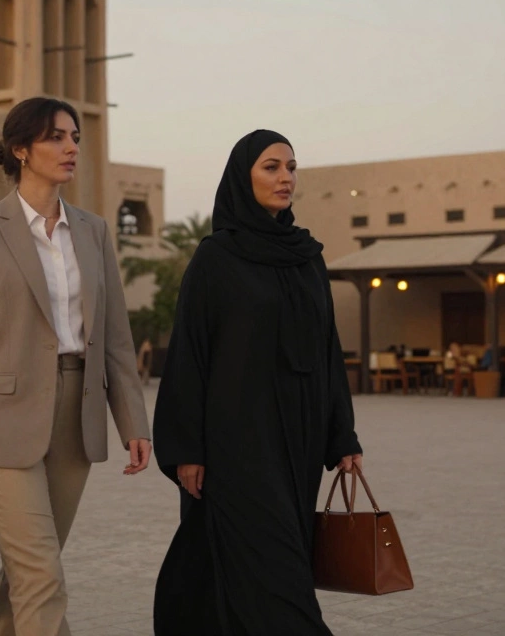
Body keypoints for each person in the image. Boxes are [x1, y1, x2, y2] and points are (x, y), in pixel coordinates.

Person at [0, 97, 152, 636]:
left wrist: (133, 423)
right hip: (1, 422)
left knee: (25, 575)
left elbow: (117, 339)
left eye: (74, 136)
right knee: (42, 575)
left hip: (75, 416)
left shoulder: (94, 231)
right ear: (20, 150)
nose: (71, 147)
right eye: (56, 137)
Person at [151, 129, 363, 636]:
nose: (285, 177)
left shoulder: (307, 256)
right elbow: (189, 357)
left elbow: (327, 350)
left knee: (254, 570)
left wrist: (343, 437)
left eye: (291, 167)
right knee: (279, 576)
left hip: (300, 440)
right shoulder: (216, 258)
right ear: (242, 176)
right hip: (236, 446)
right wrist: (187, 448)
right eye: (271, 166)